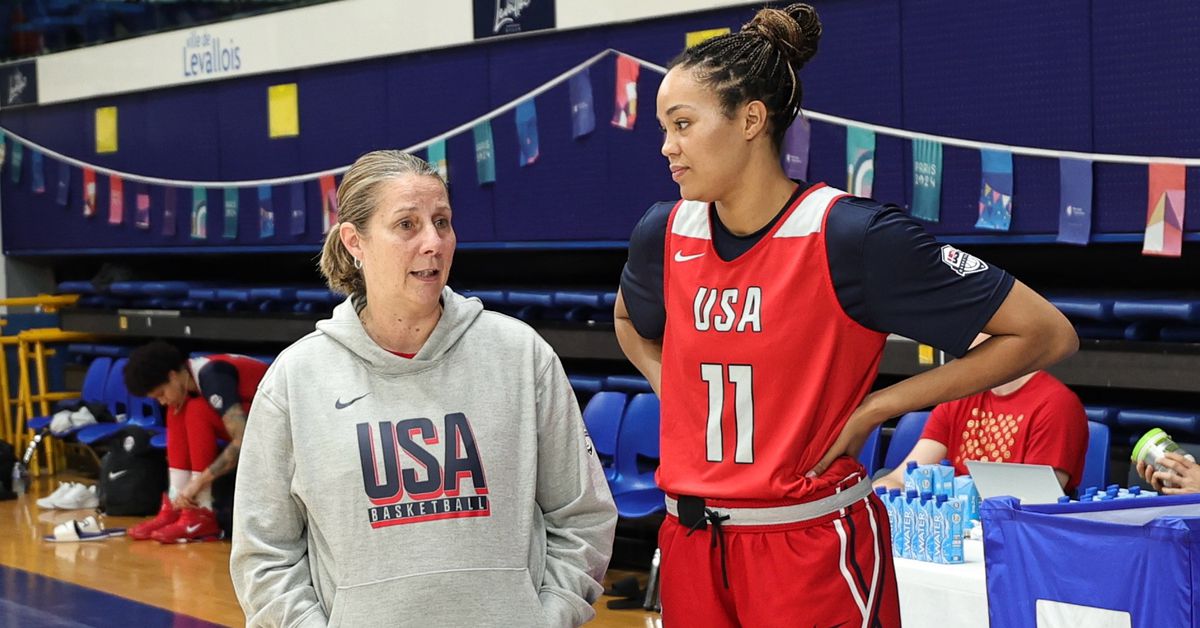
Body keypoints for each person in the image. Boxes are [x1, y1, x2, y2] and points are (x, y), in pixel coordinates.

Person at [614, 4, 1078, 626]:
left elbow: (1045, 332)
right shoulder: (663, 230)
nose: (667, 147)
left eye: (682, 124)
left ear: (751, 119)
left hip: (807, 545)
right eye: (664, 128)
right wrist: (667, 382)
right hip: (690, 543)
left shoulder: (851, 235)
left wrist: (880, 407)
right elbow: (627, 319)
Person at [229, 151, 616, 627]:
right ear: (355, 241)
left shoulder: (521, 356)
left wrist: (546, 617)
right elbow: (264, 556)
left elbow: (583, 517)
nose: (433, 242)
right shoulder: (295, 380)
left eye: (442, 221)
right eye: (407, 225)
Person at [874, 335, 1088, 492]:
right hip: (957, 532)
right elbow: (903, 478)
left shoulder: (1056, 404)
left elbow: (1040, 500)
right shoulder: (958, 398)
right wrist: (878, 495)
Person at [124, 341, 268, 543]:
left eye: (161, 394)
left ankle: (201, 509)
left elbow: (244, 440)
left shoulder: (213, 376)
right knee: (177, 410)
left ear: (173, 376)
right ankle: (177, 505)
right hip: (255, 422)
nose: (162, 401)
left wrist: (198, 483)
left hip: (280, 429)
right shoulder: (190, 380)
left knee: (195, 410)